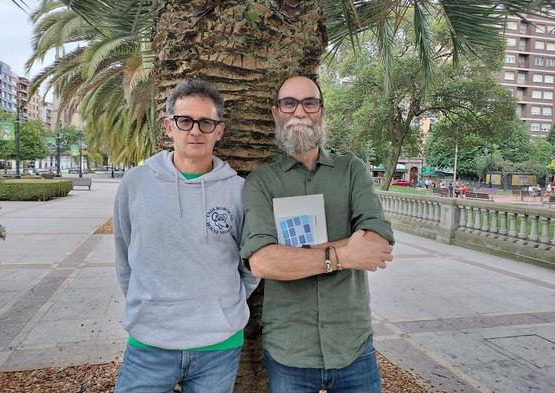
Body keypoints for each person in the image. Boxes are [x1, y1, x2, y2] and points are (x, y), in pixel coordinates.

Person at [241, 76, 395, 392]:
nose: (300, 112)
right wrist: (342, 254)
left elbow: (378, 241)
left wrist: (294, 256)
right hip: (289, 349)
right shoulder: (261, 183)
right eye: (289, 103)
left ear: (321, 112)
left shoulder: (352, 170)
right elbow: (263, 262)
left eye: (309, 103)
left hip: (353, 345)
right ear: (276, 114)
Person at [113, 79, 258, 393]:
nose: (195, 131)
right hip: (149, 343)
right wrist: (147, 306)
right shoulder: (135, 184)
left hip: (218, 346)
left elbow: (251, 265)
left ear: (219, 130)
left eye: (206, 122)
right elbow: (125, 255)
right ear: (169, 126)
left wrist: (221, 307)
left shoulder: (239, 191)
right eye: (185, 121)